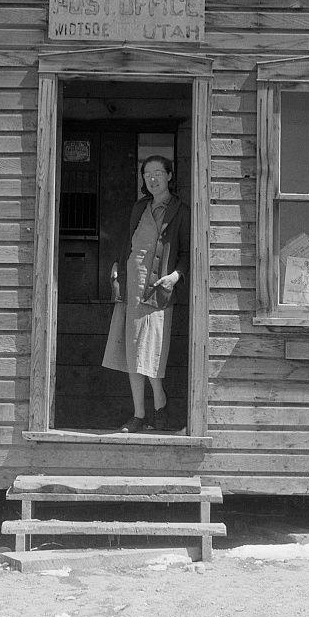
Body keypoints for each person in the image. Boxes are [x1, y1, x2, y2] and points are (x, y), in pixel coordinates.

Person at [102, 155, 190, 432]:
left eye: (158, 173)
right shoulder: (139, 207)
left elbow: (187, 253)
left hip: (158, 288)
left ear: (169, 176)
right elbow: (128, 243)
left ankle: (160, 403)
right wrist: (118, 266)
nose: (153, 179)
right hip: (132, 285)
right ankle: (139, 414)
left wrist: (174, 277)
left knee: (151, 351)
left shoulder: (181, 211)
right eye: (147, 174)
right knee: (132, 351)